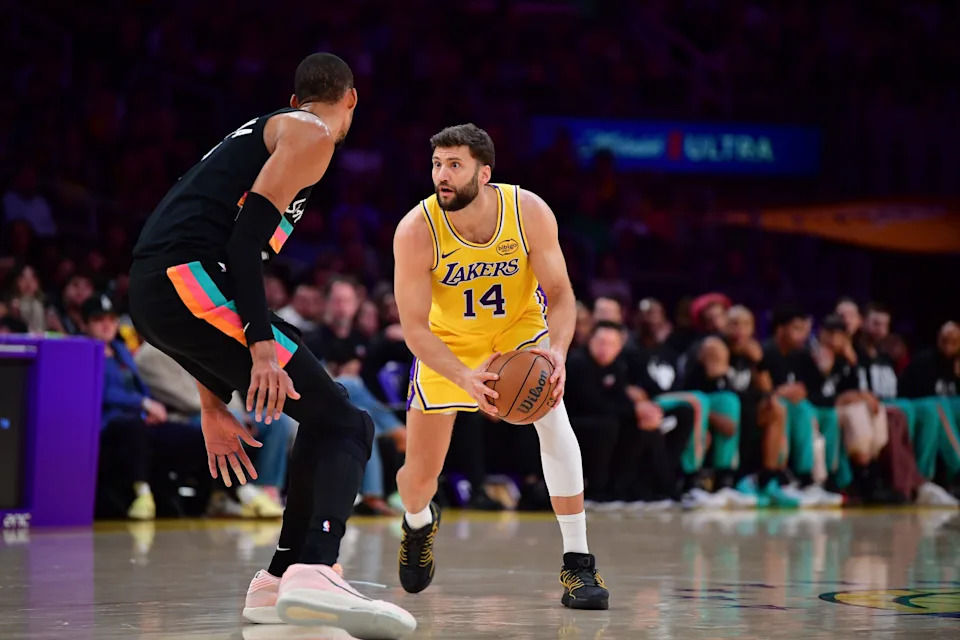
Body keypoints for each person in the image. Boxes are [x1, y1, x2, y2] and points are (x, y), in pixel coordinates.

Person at [127, 53, 414, 637]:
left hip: (161, 291)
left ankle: (280, 579)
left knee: (321, 413)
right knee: (348, 424)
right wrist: (261, 345)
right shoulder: (313, 133)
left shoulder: (275, 132)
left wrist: (212, 405)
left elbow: (231, 251)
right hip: (191, 279)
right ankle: (317, 564)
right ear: (350, 99)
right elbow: (243, 245)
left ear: (293, 95)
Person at [392, 124, 608, 609]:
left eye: (454, 165)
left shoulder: (527, 211)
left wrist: (557, 353)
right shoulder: (415, 230)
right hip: (449, 347)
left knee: (555, 425)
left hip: (520, 332)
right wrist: (465, 377)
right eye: (436, 165)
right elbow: (415, 330)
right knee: (419, 477)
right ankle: (418, 521)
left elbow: (560, 294)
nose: (441, 176)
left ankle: (579, 564)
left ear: (484, 173)